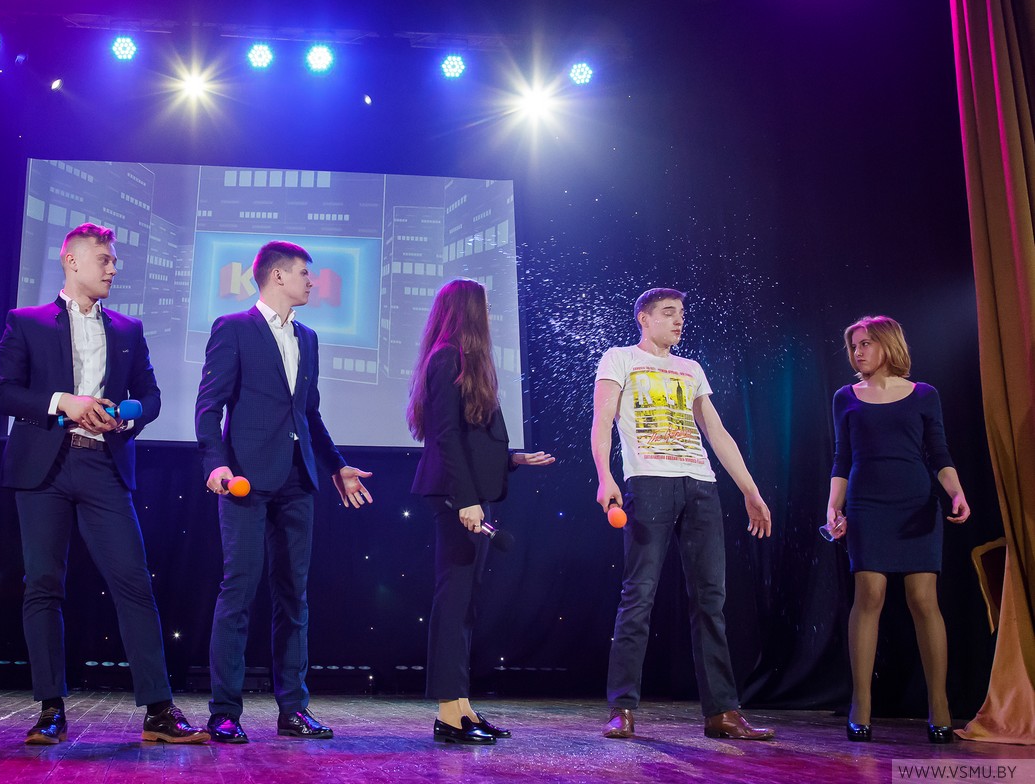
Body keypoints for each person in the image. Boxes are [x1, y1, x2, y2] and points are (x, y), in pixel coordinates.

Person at [0, 223, 207, 746]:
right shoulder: (26, 322)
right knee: (44, 584)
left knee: (133, 581)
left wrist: (126, 415)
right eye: (104, 259)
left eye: (114, 260)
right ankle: (50, 708)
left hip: (104, 466)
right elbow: (3, 391)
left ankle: (159, 710)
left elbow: (151, 396)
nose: (113, 268)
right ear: (71, 261)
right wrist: (63, 402)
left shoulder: (128, 329)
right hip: (44, 465)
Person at [195, 240, 373, 743]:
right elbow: (209, 406)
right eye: (304, 274)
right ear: (276, 276)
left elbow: (308, 413)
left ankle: (293, 709)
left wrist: (336, 466)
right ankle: (224, 711)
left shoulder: (308, 337)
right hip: (245, 480)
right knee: (238, 591)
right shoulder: (233, 328)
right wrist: (215, 464)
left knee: (294, 595)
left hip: (297, 481)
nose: (312, 282)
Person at [590, 287, 775, 741]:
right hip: (648, 482)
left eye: (682, 314)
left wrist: (750, 490)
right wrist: (605, 476)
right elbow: (602, 422)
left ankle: (722, 712)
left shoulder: (690, 368)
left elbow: (717, 431)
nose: (679, 321)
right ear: (644, 318)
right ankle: (622, 708)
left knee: (710, 599)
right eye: (669, 313)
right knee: (639, 595)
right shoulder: (620, 359)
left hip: (700, 485)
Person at [408, 279, 554, 744]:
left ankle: (463, 707)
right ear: (467, 310)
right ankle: (448, 713)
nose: (490, 313)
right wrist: (466, 499)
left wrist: (511, 459)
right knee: (454, 603)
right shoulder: (446, 358)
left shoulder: (467, 360)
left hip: (471, 493)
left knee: (466, 603)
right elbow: (446, 437)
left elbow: (472, 436)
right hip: (457, 497)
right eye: (485, 306)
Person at [823, 315, 970, 744]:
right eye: (854, 345)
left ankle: (939, 705)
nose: (858, 351)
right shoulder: (845, 397)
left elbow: (939, 452)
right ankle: (861, 704)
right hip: (867, 504)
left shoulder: (924, 394)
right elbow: (842, 457)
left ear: (888, 345)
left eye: (866, 343)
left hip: (915, 504)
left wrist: (956, 492)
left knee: (923, 599)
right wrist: (833, 505)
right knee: (869, 593)